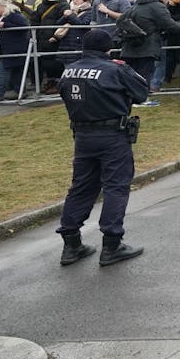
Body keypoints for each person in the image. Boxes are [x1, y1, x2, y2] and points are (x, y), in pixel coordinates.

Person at [55, 28, 151, 267]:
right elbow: (141, 93)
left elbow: (64, 95)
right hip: (112, 134)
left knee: (81, 187)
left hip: (82, 134)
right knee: (115, 187)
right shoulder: (115, 69)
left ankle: (71, 243)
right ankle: (112, 244)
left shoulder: (69, 70)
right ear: (108, 48)